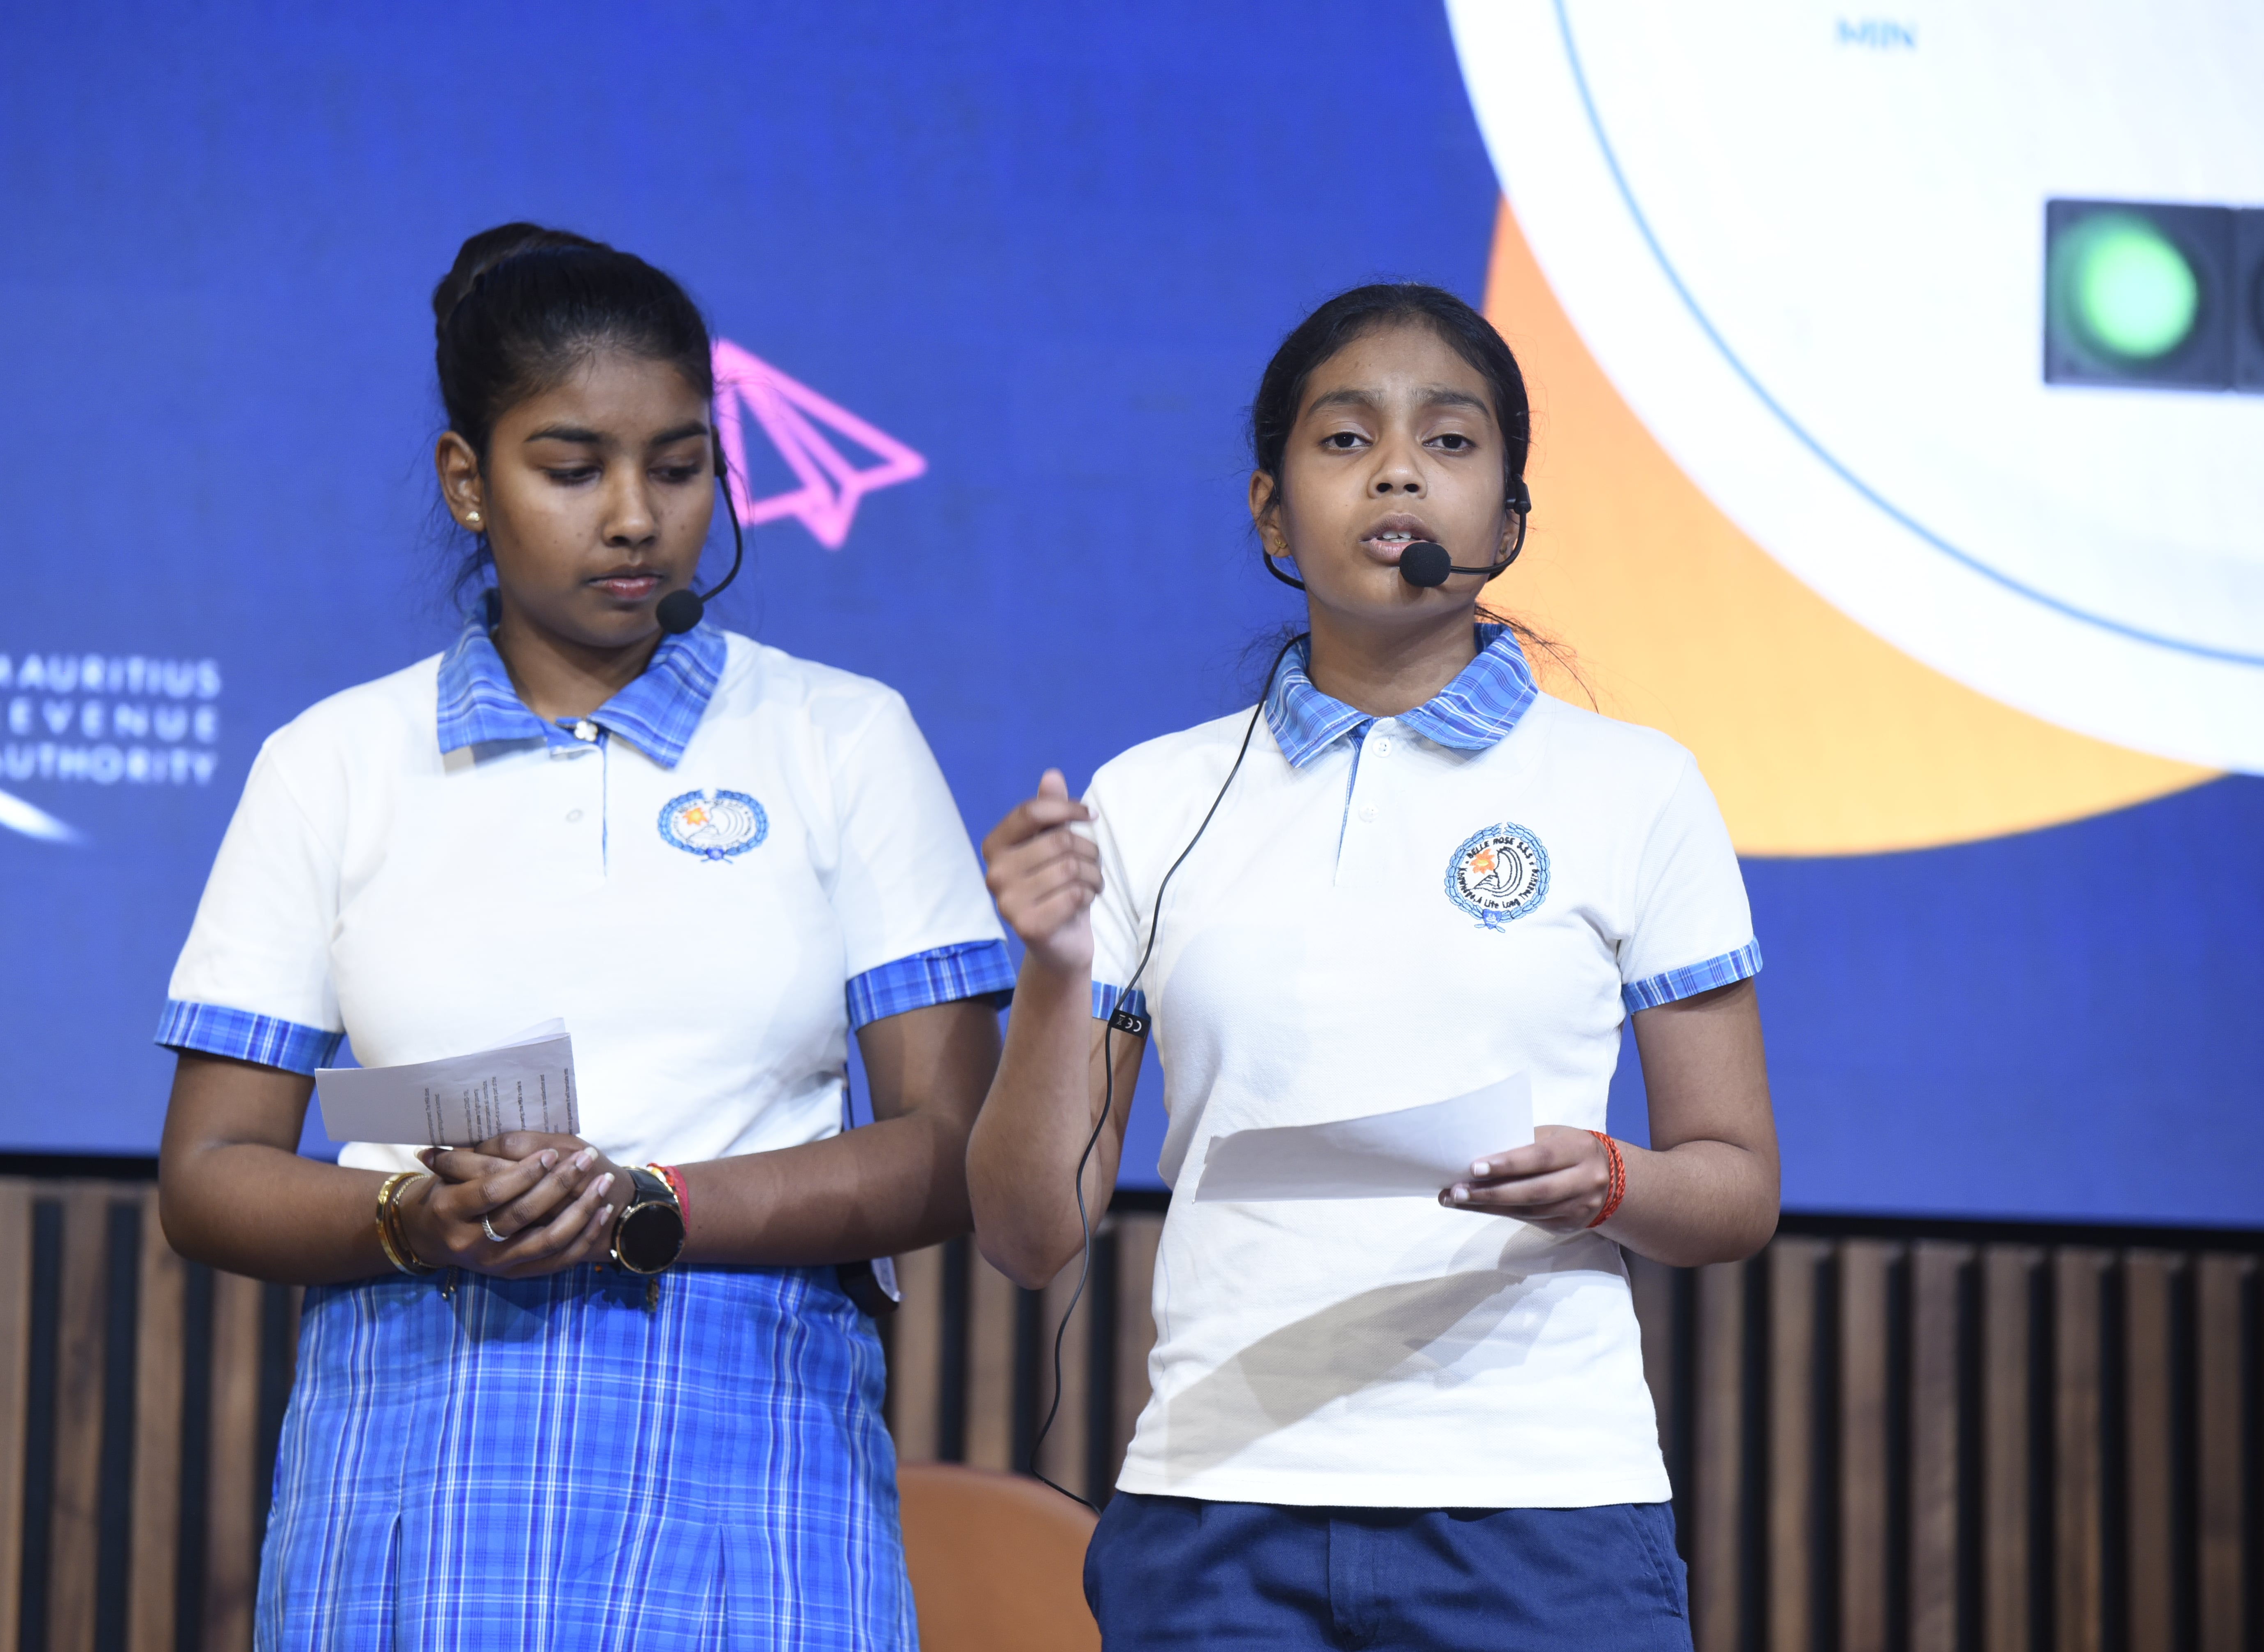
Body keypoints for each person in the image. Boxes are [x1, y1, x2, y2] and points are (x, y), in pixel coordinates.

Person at [153, 223, 1012, 1650]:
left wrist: (642, 1206)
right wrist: (411, 1218)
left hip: (755, 1453)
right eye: (572, 469)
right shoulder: (334, 761)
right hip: (415, 1455)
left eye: (679, 467)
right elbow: (208, 1175)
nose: (634, 518)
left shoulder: (839, 736)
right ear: (466, 480)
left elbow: (951, 1147)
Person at [968, 284, 1778, 1649]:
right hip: (1217, 1516)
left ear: (1508, 520)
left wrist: (1613, 1181)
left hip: (1538, 1512)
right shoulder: (1151, 798)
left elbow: (1737, 1188)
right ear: (1272, 515)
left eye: (1450, 442)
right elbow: (1027, 1235)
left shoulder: (1637, 788)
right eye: (1345, 440)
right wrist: (1052, 973)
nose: (1398, 471)